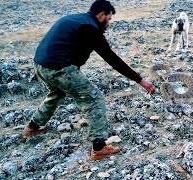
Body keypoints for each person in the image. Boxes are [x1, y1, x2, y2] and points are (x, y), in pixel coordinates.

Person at [23, 0, 156, 161]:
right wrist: (140, 80)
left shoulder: (76, 19)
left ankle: (33, 126)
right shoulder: (90, 28)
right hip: (58, 68)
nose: (109, 23)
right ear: (101, 15)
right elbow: (111, 58)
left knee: (57, 93)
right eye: (109, 19)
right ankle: (99, 148)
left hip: (40, 65)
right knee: (94, 98)